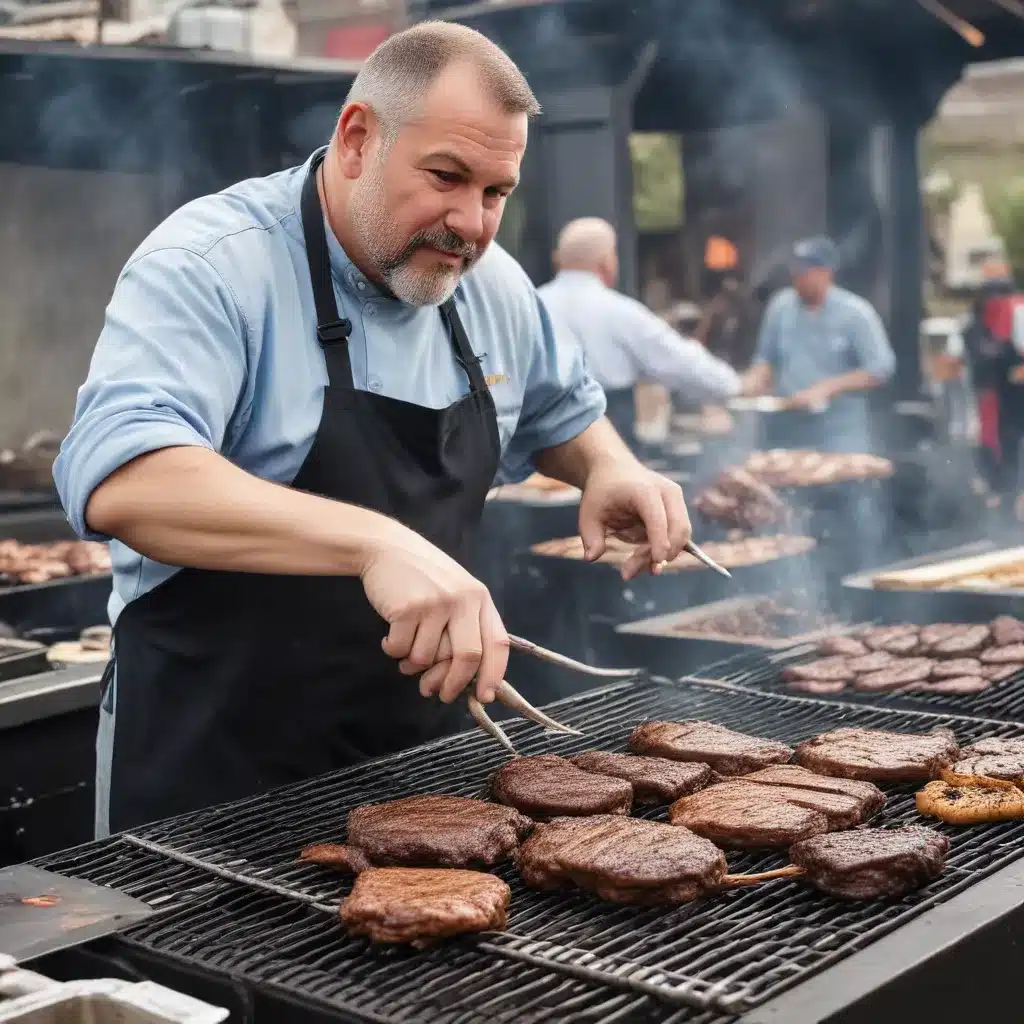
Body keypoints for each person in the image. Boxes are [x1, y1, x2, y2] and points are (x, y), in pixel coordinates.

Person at [53, 23, 692, 838]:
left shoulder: (488, 284)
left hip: (420, 772)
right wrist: (377, 544)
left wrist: (607, 467)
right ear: (356, 139)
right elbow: (124, 480)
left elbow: (563, 413)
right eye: (446, 176)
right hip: (210, 773)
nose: (471, 222)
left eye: (497, 192)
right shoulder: (213, 264)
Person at [537, 217, 741, 446]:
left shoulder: (529, 308)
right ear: (607, 262)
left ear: (558, 260)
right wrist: (733, 384)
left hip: (537, 449)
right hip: (609, 446)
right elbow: (676, 360)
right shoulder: (619, 311)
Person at [741, 236, 895, 453]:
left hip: (838, 437)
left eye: (805, 271)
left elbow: (880, 368)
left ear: (826, 273)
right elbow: (765, 358)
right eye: (796, 270)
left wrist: (826, 388)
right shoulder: (781, 306)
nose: (798, 277)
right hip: (784, 434)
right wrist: (754, 379)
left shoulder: (856, 313)